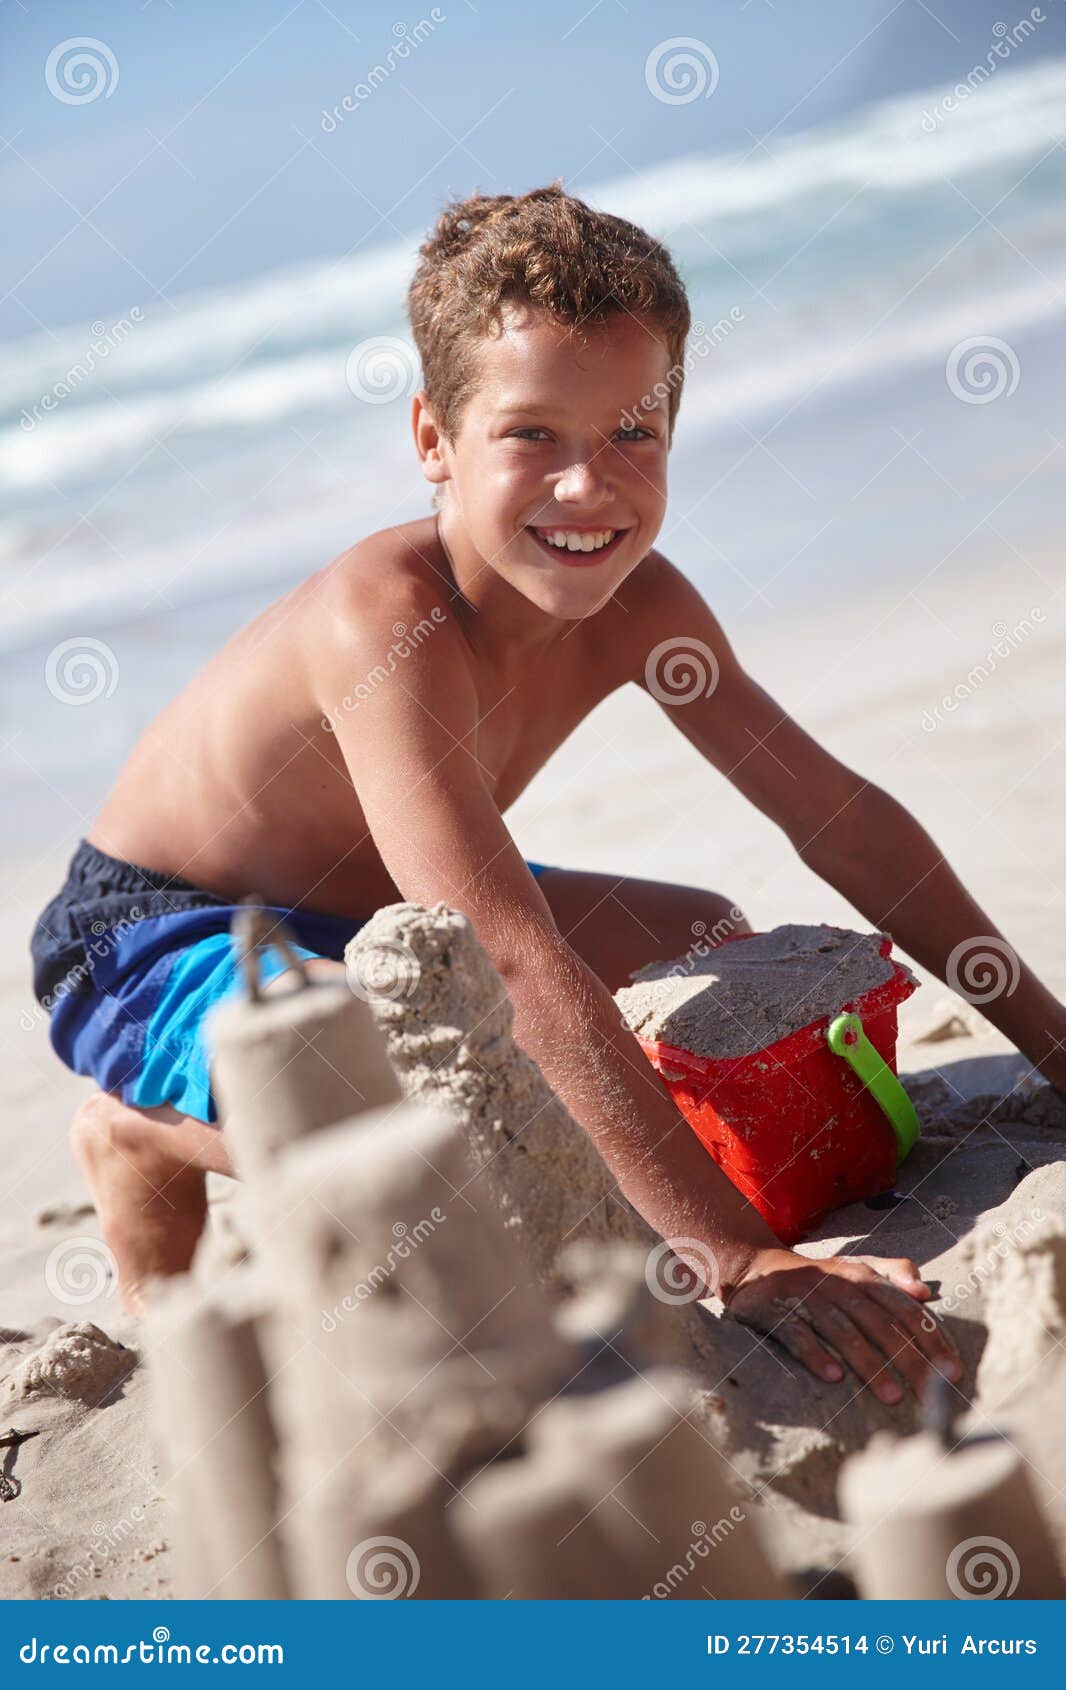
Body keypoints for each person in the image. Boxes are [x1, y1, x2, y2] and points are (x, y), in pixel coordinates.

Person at [32, 186, 1064, 1406]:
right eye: (532, 435)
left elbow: (831, 813)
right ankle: (136, 1129)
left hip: (382, 925)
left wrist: (1048, 1038)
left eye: (633, 432)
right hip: (162, 933)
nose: (589, 488)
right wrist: (729, 1257)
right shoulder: (386, 622)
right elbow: (510, 959)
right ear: (433, 439)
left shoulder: (647, 608)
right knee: (451, 1117)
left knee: (709, 938)